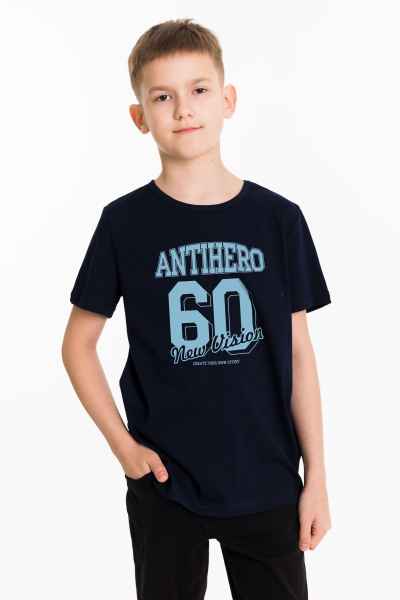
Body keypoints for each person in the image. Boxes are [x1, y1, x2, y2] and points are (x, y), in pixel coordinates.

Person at [62, 17, 333, 600]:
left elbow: (299, 354)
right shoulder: (124, 223)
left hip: (266, 478)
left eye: (199, 89)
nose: (184, 109)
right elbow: (77, 344)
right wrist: (125, 449)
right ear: (139, 117)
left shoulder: (278, 220)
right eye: (163, 96)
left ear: (228, 100)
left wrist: (316, 477)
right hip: (166, 481)